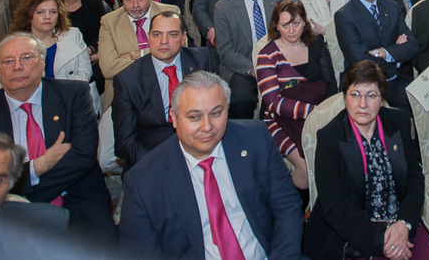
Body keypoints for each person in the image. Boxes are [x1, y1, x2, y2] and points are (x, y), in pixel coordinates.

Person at [119, 72, 303, 259]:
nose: (207, 126)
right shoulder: (143, 182)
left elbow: (288, 207)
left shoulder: (256, 140)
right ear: (173, 118)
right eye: (194, 117)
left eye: (216, 114)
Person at [0, 34, 115, 242]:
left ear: (43, 62)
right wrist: (36, 167)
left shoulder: (73, 95)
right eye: (8, 61)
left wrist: (23, 188)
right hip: (10, 208)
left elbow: (83, 156)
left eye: (26, 58)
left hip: (76, 196)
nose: (17, 66)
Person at [304, 61, 429, 260]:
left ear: (382, 98)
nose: (363, 104)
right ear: (345, 97)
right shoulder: (330, 138)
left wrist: (404, 224)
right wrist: (379, 240)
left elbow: (415, 180)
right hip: (355, 235)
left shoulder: (399, 123)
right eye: (355, 94)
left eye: (371, 95)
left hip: (401, 225)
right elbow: (333, 205)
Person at [111, 12, 218, 169]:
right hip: (152, 157)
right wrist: (162, 164)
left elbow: (218, 113)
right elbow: (125, 143)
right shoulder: (128, 80)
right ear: (148, 37)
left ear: (183, 38)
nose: (163, 41)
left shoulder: (203, 61)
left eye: (172, 35)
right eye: (157, 34)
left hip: (202, 146)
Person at [256, 0, 337, 190]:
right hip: (279, 119)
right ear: (277, 26)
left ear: (305, 22)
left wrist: (324, 115)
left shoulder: (316, 44)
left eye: (296, 23)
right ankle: (297, 210)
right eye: (285, 25)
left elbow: (330, 85)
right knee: (306, 166)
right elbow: (273, 102)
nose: (291, 30)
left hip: (318, 113)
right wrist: (314, 113)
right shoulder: (267, 55)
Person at [335, 0, 418, 107]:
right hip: (364, 83)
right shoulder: (345, 16)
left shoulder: (392, 7)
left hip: (398, 79)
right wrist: (396, 57)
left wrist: (384, 52)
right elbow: (360, 60)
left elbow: (412, 45)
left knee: (425, 102)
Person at [212, 0, 284, 119]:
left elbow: (284, 33)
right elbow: (225, 51)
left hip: (277, 62)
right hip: (242, 67)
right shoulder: (223, 7)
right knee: (241, 100)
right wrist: (253, 68)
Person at [98, 0, 181, 108]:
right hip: (124, 96)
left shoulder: (169, 13)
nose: (135, 5)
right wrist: (156, 55)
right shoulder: (109, 21)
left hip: (164, 90)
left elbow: (177, 50)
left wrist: (136, 55)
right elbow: (108, 68)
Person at [9, 0, 93, 98]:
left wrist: (64, 95)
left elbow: (85, 71)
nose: (47, 17)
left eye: (53, 12)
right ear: (29, 16)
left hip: (71, 97)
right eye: (40, 12)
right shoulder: (14, 46)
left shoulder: (73, 34)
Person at [53, 0, 107, 94]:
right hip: (65, 61)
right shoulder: (53, 6)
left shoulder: (95, 1)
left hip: (95, 56)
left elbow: (103, 31)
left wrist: (90, 50)